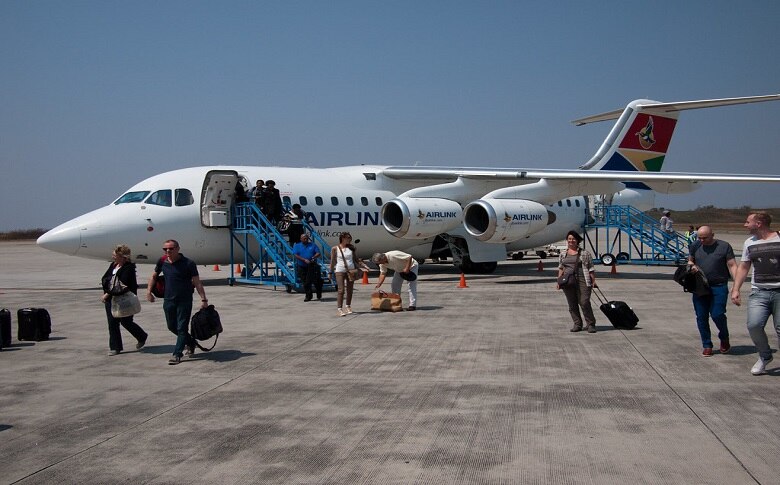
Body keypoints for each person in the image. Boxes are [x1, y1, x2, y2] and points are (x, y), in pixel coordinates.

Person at [730, 212, 780, 375]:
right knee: (754, 325)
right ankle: (765, 356)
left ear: (758, 223)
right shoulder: (749, 242)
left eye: (747, 222)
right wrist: (736, 288)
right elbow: (744, 267)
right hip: (759, 291)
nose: (745, 225)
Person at [146, 239, 209, 365]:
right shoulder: (162, 261)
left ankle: (177, 354)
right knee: (171, 326)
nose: (167, 251)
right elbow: (154, 276)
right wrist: (149, 291)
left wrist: (203, 299)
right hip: (168, 299)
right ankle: (190, 342)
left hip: (184, 300)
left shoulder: (188, 263)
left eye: (170, 248)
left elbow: (197, 282)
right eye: (165, 249)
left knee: (181, 327)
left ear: (178, 249)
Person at [687, 225, 737, 356]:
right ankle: (707, 344)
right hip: (700, 287)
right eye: (700, 238)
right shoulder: (695, 245)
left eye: (705, 238)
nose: (702, 240)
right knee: (701, 317)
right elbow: (690, 260)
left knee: (717, 314)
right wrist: (691, 266)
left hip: (719, 285)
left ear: (713, 235)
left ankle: (724, 337)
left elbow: (732, 265)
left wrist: (736, 284)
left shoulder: (724, 246)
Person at [100, 244, 148, 356]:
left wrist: (107, 294)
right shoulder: (113, 265)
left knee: (126, 322)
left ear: (122, 257)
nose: (113, 257)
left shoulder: (128, 268)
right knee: (112, 323)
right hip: (111, 299)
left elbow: (123, 286)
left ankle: (141, 336)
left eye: (115, 255)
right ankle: (115, 347)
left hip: (123, 299)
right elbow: (107, 278)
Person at [556, 230, 597, 333]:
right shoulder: (563, 254)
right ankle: (577, 324)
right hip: (568, 281)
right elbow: (561, 268)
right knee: (572, 304)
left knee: (584, 302)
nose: (571, 241)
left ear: (577, 240)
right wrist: (558, 281)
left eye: (573, 239)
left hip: (583, 280)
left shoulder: (584, 253)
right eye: (569, 239)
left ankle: (591, 324)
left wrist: (593, 280)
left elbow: (590, 268)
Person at [330, 232, 364, 316]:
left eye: (350, 238)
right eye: (348, 238)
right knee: (341, 290)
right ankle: (339, 309)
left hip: (351, 271)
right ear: (342, 238)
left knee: (350, 290)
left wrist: (364, 265)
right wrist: (330, 271)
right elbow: (333, 261)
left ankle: (348, 306)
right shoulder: (335, 248)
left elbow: (355, 259)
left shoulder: (352, 248)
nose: (349, 239)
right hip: (339, 270)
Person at [292, 233, 323, 301]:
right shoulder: (297, 246)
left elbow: (318, 253)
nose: (306, 240)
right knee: (305, 282)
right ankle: (308, 296)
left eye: (307, 238)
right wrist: (304, 260)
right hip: (302, 266)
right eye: (304, 238)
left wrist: (313, 257)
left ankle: (318, 293)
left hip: (311, 266)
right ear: (301, 239)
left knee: (316, 281)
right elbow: (296, 255)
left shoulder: (312, 245)